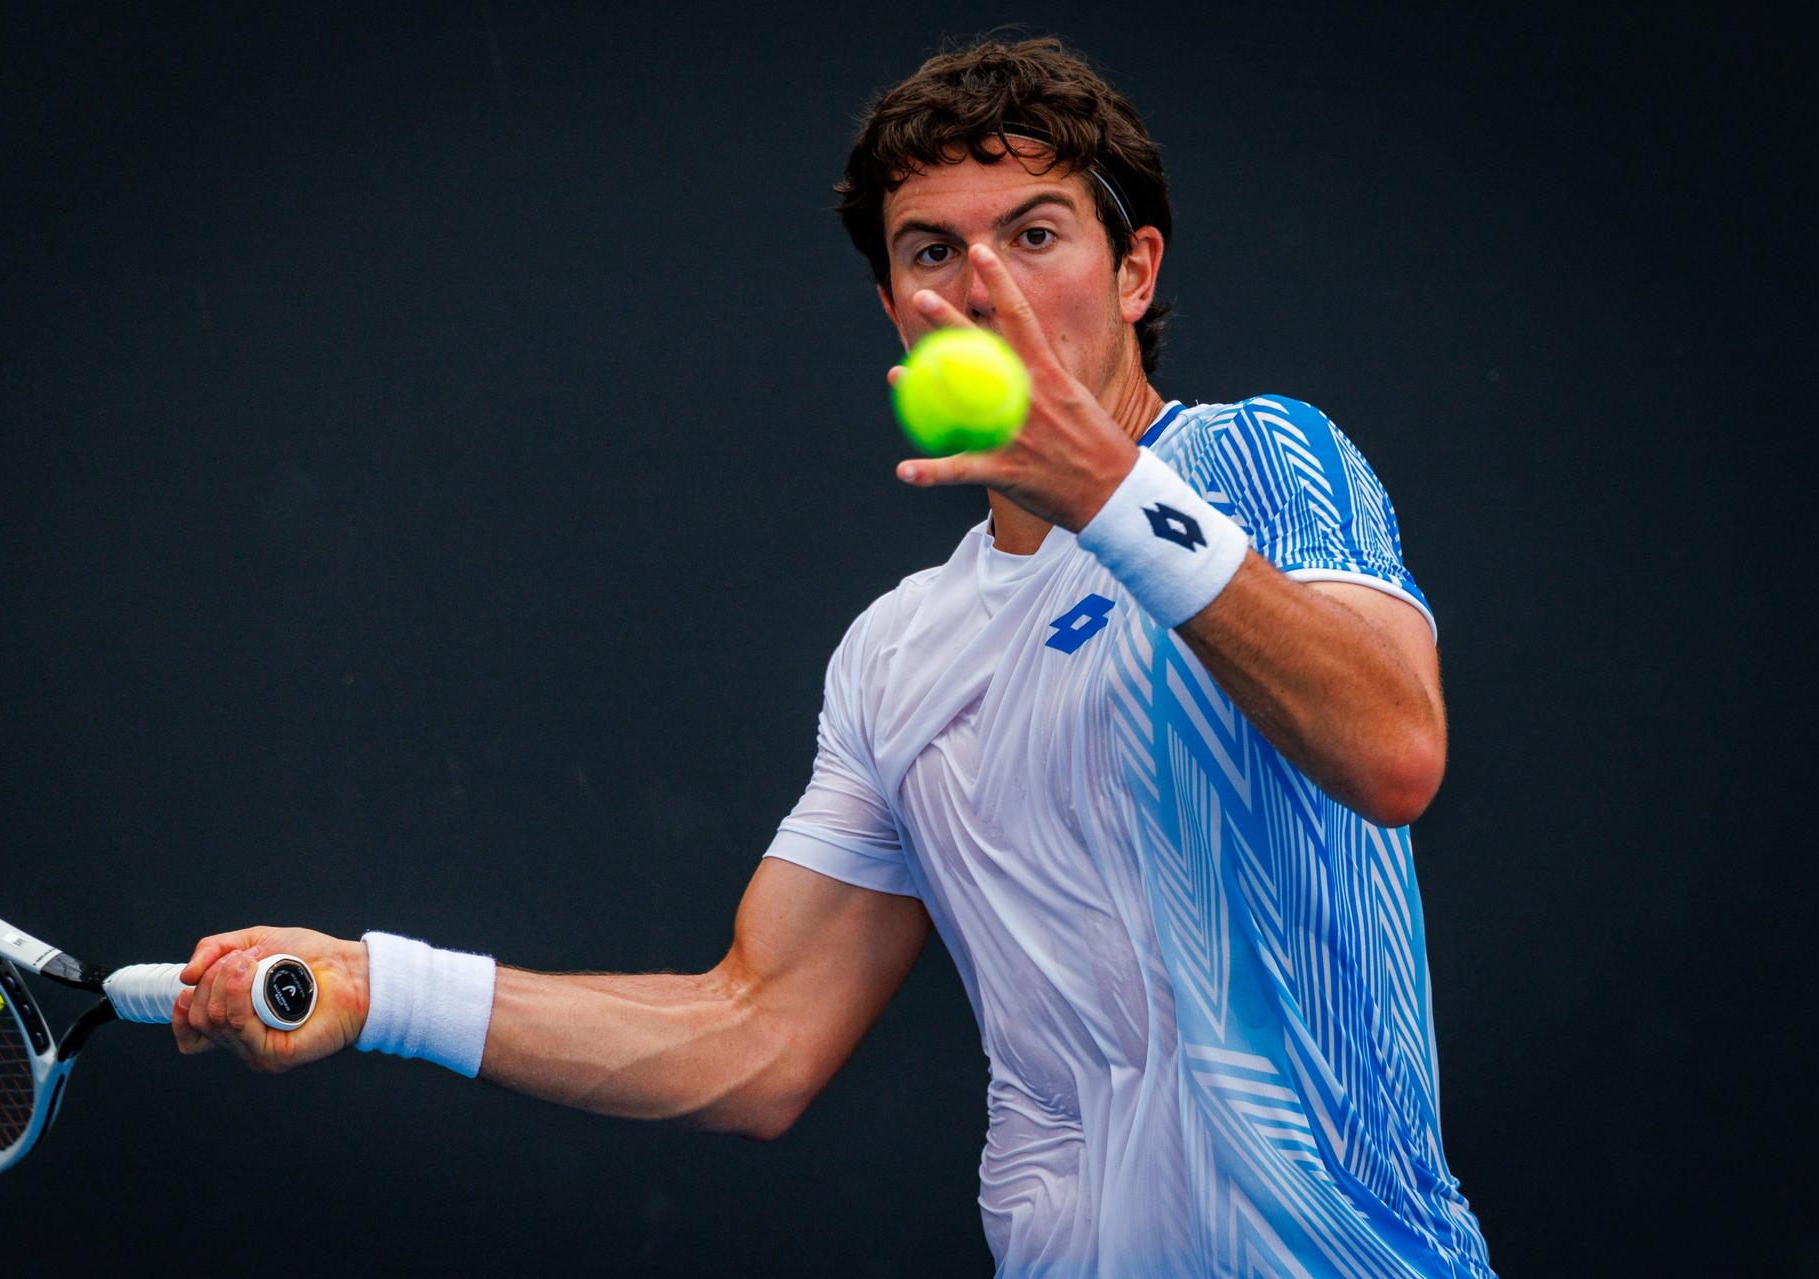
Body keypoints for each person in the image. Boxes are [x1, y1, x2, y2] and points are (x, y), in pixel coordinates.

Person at [175, 37, 1494, 1278]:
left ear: (1136, 271)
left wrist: (1104, 488)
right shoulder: (895, 653)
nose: (985, 287)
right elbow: (757, 1036)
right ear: (894, 309)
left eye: (1036, 235)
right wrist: (378, 984)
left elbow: (1391, 748)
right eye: (936, 251)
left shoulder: (1255, 460)